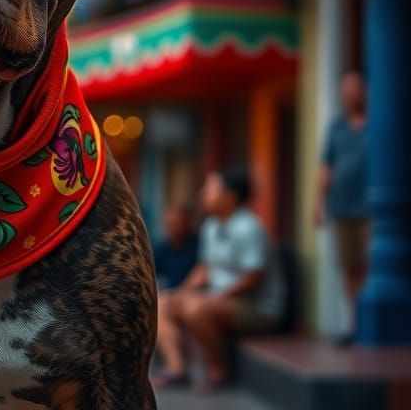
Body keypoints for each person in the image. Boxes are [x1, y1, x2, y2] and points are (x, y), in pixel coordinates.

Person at [154, 169, 284, 392]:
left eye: (211, 188)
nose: (203, 193)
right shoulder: (211, 226)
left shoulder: (249, 228)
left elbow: (254, 278)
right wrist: (181, 292)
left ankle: (218, 370)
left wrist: (213, 298)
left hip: (257, 306)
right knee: (161, 303)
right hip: (221, 300)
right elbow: (204, 269)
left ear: (230, 196)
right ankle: (176, 368)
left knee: (197, 309)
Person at [314, 70, 369, 346]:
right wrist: (318, 203)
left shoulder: (378, 122)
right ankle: (355, 324)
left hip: (371, 210)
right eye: (344, 88)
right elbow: (326, 166)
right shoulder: (336, 127)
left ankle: (371, 323)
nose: (348, 93)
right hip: (342, 208)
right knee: (350, 269)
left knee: (371, 266)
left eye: (354, 87)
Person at [153, 204, 199, 291]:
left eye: (176, 224)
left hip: (193, 293)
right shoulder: (161, 248)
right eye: (169, 224)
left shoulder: (197, 245)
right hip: (169, 293)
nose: (172, 228)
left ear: (186, 223)